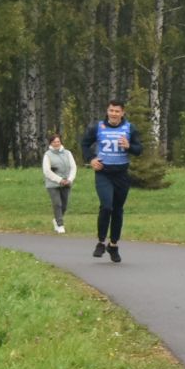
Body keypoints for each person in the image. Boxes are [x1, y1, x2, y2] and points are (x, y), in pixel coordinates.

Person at [80, 100, 136, 262]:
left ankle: (113, 245)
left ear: (122, 113)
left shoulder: (129, 128)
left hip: (121, 174)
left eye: (117, 111)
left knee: (118, 210)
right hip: (103, 173)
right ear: (107, 111)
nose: (113, 114)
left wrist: (129, 146)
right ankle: (100, 241)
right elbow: (84, 144)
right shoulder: (98, 127)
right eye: (111, 110)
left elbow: (139, 149)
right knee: (106, 206)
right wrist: (91, 159)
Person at [42, 133, 77, 234]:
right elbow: (47, 171)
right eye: (54, 142)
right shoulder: (47, 155)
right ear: (51, 143)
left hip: (66, 183)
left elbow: (73, 167)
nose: (56, 144)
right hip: (53, 184)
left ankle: (57, 219)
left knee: (64, 205)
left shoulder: (67, 153)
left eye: (58, 141)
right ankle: (60, 224)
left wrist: (69, 179)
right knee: (57, 204)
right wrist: (59, 180)